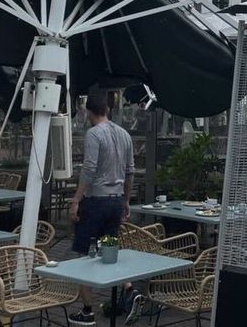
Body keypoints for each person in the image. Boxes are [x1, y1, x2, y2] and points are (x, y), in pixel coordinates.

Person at [68, 95, 135, 326]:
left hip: (95, 202)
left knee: (84, 255)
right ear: (107, 109)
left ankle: (87, 311)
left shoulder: (93, 134)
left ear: (89, 112)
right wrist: (126, 200)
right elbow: (130, 171)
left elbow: (89, 169)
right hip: (116, 201)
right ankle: (129, 289)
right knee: (110, 251)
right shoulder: (125, 134)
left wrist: (76, 200)